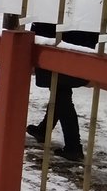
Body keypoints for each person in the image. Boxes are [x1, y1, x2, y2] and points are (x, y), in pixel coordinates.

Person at [26, 22, 99, 162]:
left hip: (63, 43)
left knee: (60, 91)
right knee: (60, 89)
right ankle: (44, 130)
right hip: (72, 42)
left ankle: (73, 146)